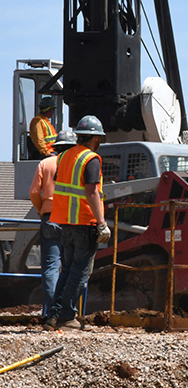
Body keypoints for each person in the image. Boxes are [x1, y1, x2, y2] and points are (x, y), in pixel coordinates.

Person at [45, 115, 111, 331]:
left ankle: (53, 316)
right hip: (84, 222)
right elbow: (91, 191)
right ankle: (67, 317)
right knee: (80, 272)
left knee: (66, 270)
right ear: (95, 138)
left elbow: (61, 187)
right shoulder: (91, 159)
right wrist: (101, 223)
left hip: (64, 222)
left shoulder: (63, 157)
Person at [29, 129, 77, 319]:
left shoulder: (45, 163)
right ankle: (67, 313)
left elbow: (34, 191)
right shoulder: (76, 164)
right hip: (71, 218)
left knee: (50, 268)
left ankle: (52, 312)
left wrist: (43, 208)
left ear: (56, 147)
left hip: (50, 216)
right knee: (71, 267)